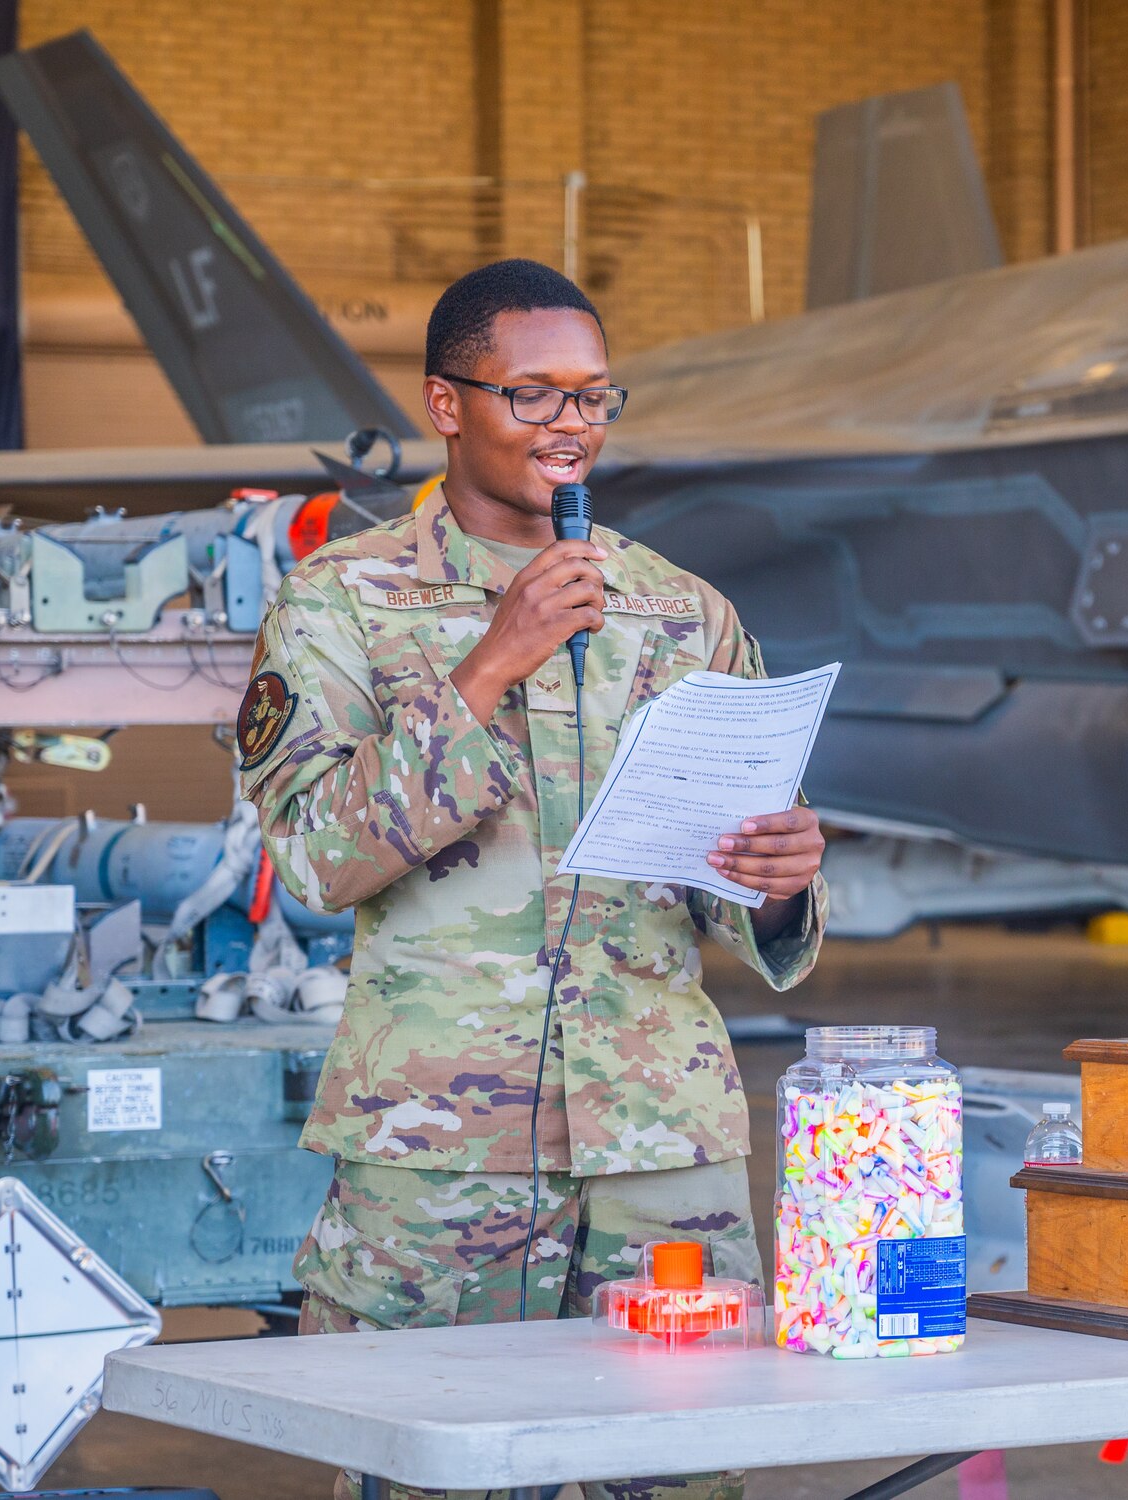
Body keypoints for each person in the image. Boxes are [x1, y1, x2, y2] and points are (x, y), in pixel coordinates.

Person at [240, 258, 826, 1500]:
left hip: (659, 1145)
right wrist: (487, 667)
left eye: (593, 396)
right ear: (445, 404)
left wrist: (776, 877)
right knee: (430, 1470)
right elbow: (315, 856)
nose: (572, 425)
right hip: (436, 1147)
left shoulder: (681, 612)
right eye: (533, 395)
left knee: (685, 1473)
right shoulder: (342, 601)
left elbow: (723, 885)